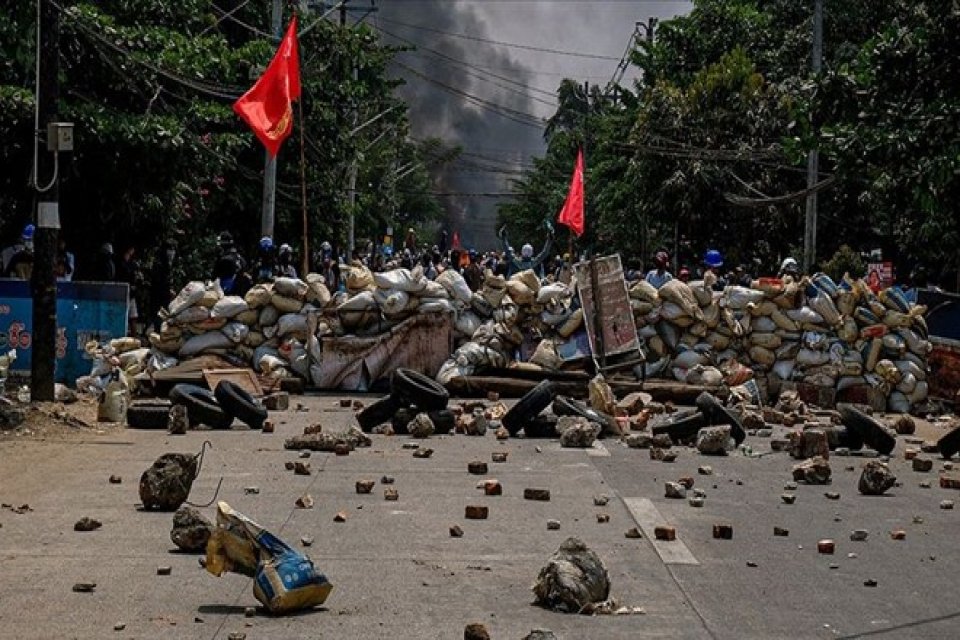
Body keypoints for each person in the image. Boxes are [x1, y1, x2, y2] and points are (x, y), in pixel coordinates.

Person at [148, 241, 177, 331]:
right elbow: (160, 280)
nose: (172, 252)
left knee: (161, 315)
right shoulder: (160, 263)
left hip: (161, 294)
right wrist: (168, 290)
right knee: (159, 314)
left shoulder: (166, 262)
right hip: (159, 294)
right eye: (170, 249)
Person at [116, 246, 141, 335]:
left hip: (131, 294)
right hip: (123, 293)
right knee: (125, 316)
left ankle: (134, 337)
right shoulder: (121, 264)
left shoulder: (132, 264)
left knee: (133, 316)